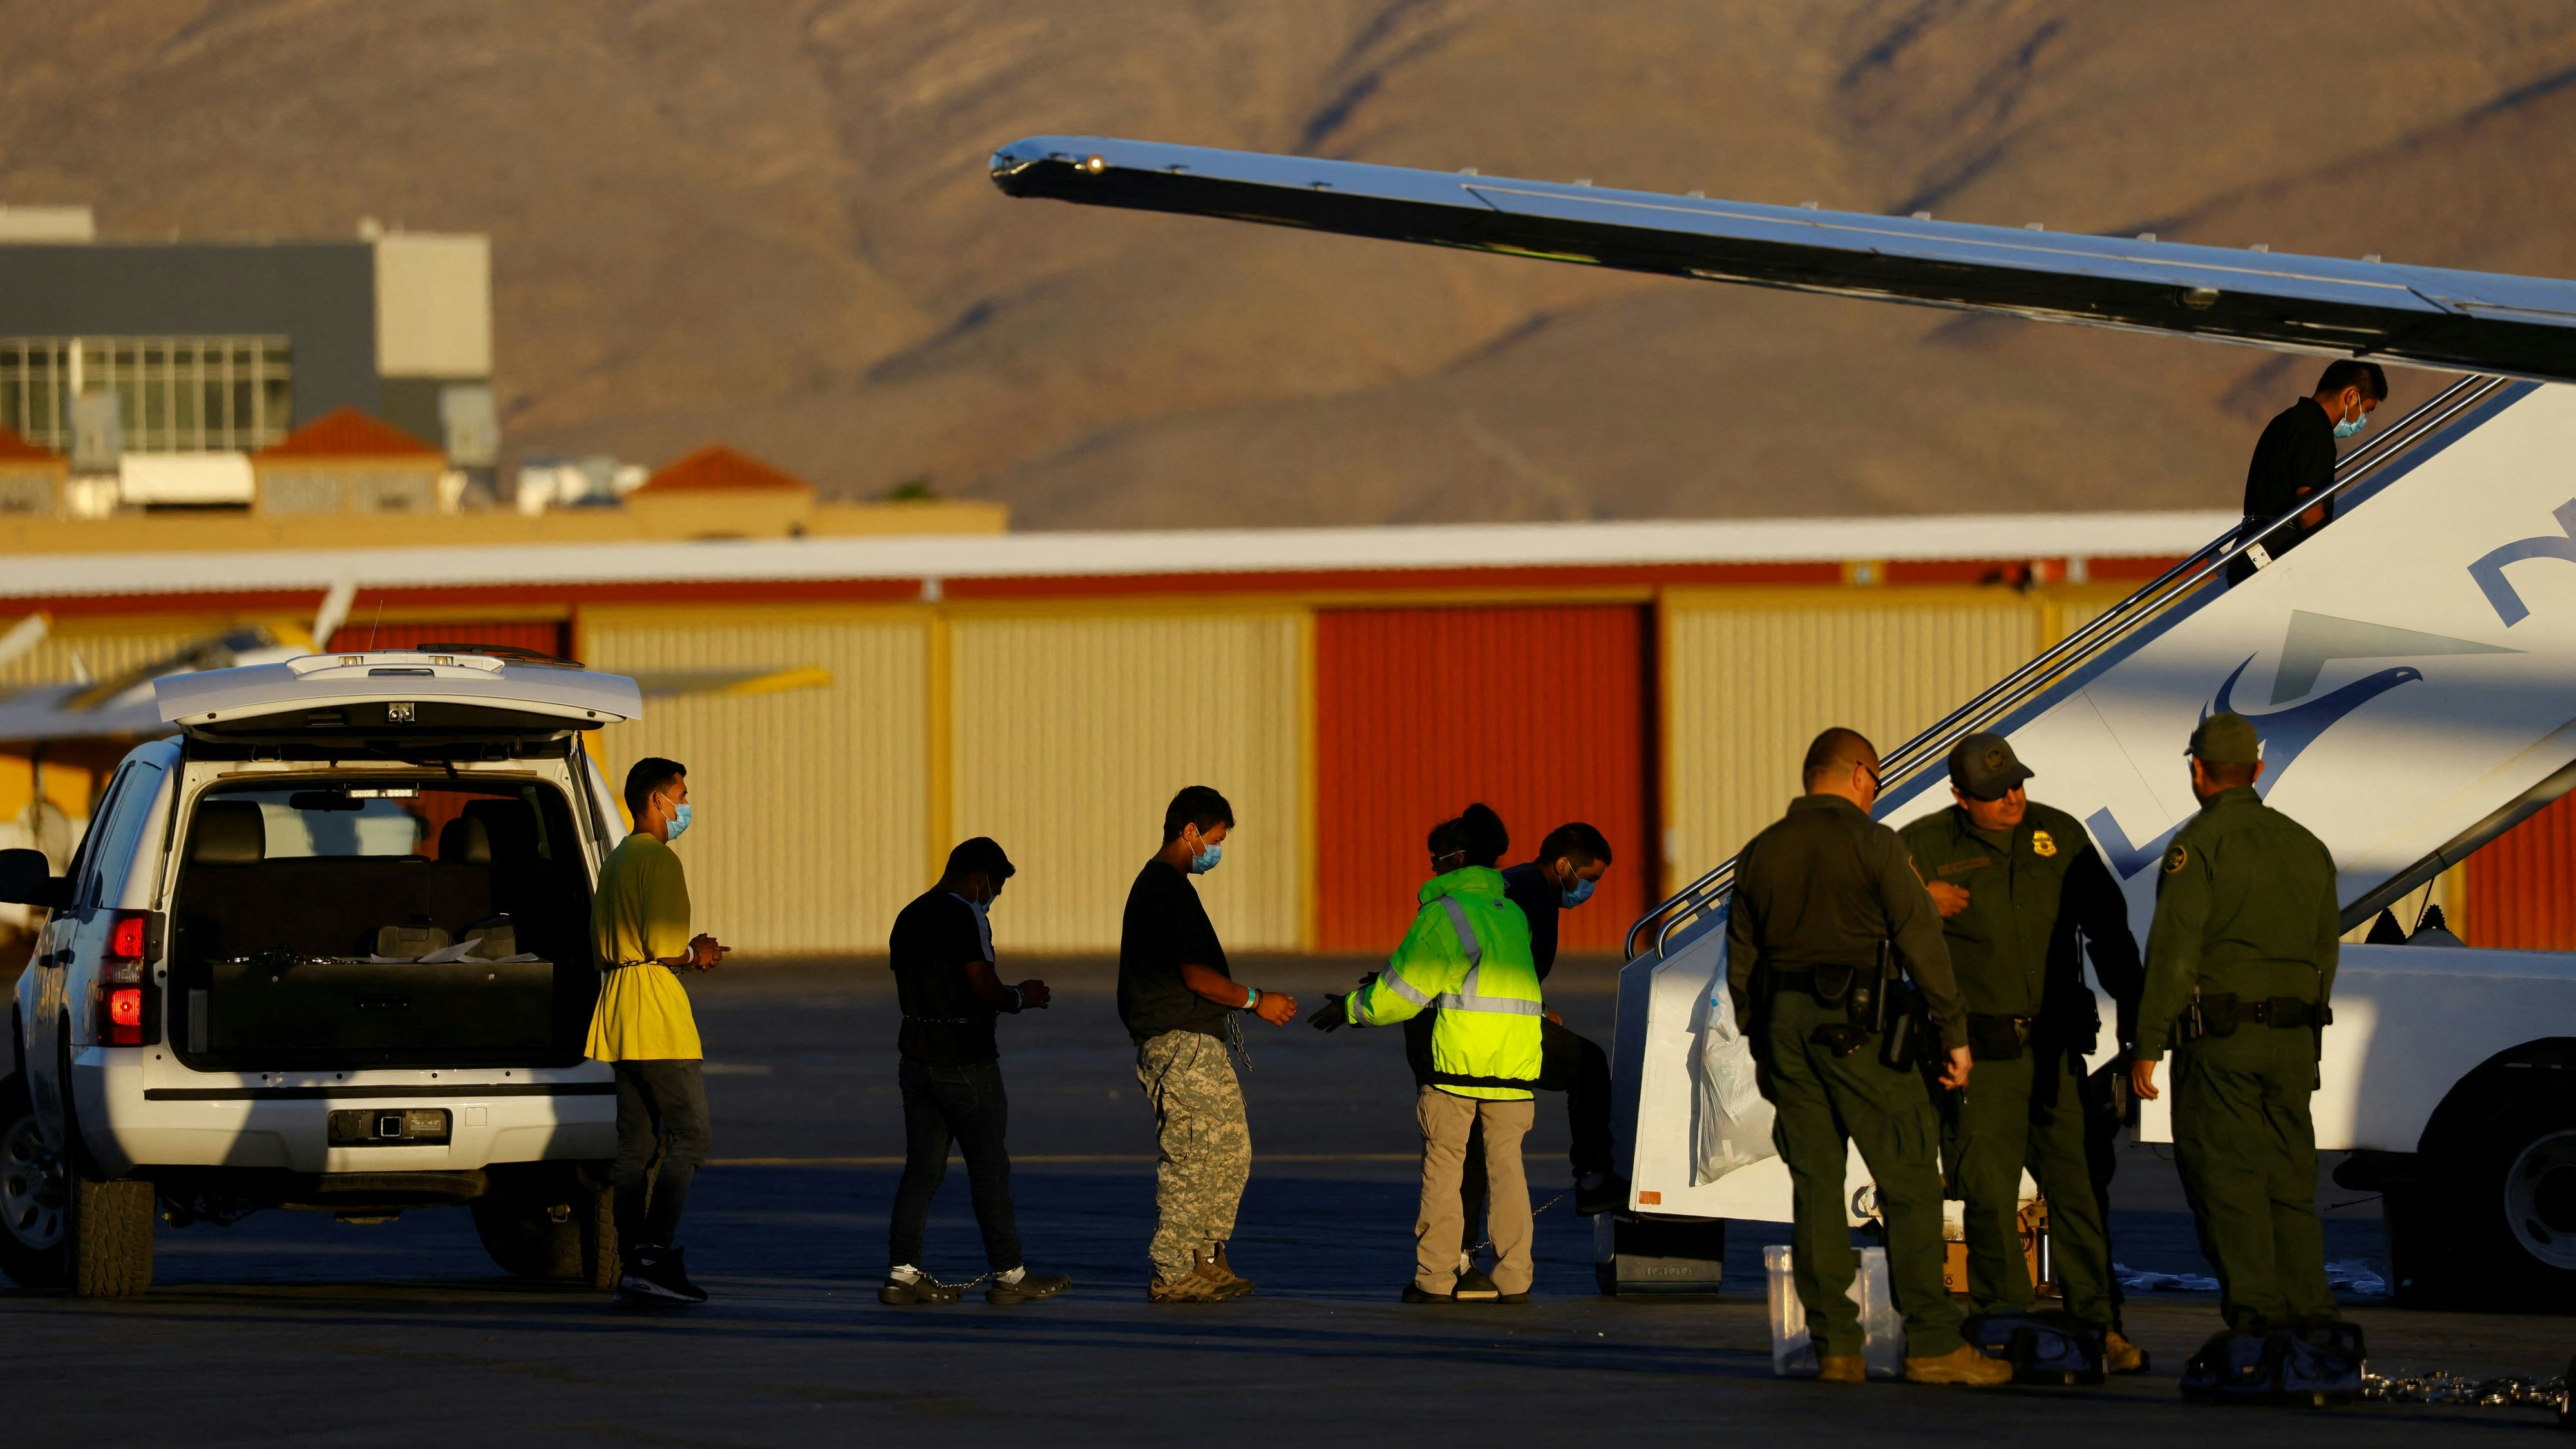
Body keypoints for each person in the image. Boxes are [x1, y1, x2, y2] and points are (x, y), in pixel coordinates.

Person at [1726, 728, 2008, 1386]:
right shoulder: (1874, 843)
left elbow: (1741, 961)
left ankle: (1836, 1348)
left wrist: (1762, 1041)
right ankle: (1932, 1342)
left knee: (1815, 1187)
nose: (1875, 796)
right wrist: (1954, 1033)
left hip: (1784, 1029)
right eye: (1876, 784)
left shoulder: (1761, 851)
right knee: (1909, 1179)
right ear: (1859, 775)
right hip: (1858, 1027)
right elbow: (1921, 941)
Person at [1900, 732, 2146, 1373]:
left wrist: (2141, 1021)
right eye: (1994, 792)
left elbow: (2108, 931)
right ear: (1960, 796)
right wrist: (1919, 902)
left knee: (2078, 1189)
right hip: (1979, 1057)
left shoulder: (2058, 835)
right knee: (1988, 1193)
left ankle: (2098, 1325)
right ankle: (2003, 1321)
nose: (2012, 797)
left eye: (2017, 783)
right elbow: (1870, 918)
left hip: (2055, 1052)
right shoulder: (1924, 846)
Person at [2129, 712, 2343, 1338]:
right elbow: (2324, 954)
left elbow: (2175, 953)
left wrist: (2148, 1044)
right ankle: (2313, 1319)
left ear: (2197, 770)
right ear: (2258, 769)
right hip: (2293, 1041)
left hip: (2223, 1042)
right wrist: (2308, 1042)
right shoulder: (2306, 845)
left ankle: (2257, 1321)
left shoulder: (2199, 845)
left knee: (2227, 1181)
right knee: (2289, 1182)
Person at [1314, 804, 1547, 1304]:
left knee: (1444, 1169)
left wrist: (1351, 1008)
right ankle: (1515, 1279)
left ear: (1456, 858)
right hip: (1516, 1065)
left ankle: (1436, 1279)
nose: (1432, 868)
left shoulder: (1445, 913)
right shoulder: (1513, 915)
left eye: (1435, 859)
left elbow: (1403, 993)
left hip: (1456, 1065)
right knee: (1508, 1171)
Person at [1398, 821, 1621, 1298]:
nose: (1589, 890)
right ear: (1564, 865)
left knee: (1477, 1150)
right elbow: (1487, 963)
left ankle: (1460, 1262)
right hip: (1469, 1035)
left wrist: (1537, 1004)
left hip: (1479, 1029)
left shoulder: (1525, 889)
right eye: (1589, 878)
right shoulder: (1523, 895)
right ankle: (1590, 1176)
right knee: (1579, 1069)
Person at [1119, 785, 1297, 1302]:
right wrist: (1255, 1000)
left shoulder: (1174, 888)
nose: (1217, 851)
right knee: (1193, 1155)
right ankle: (1173, 1269)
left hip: (1201, 1039)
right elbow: (1194, 974)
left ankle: (1208, 1255)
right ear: (1190, 831)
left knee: (1229, 1151)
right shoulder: (1163, 888)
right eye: (1215, 840)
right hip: (1177, 1040)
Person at [880, 837, 1072, 1308]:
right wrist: (1022, 997)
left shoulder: (908, 915)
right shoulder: (966, 915)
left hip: (917, 1059)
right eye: (996, 885)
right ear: (978, 878)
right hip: (965, 1061)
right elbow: (982, 986)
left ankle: (902, 1274)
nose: (996, 895)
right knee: (988, 1170)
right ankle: (1010, 1275)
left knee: (921, 1171)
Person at [589, 757, 728, 1306]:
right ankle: (653, 1254)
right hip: (654, 1013)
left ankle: (632, 1263)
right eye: (682, 795)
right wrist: (699, 952)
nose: (686, 806)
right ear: (657, 800)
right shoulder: (659, 861)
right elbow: (666, 945)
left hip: (619, 1007)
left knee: (636, 1145)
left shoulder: (616, 859)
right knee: (691, 1136)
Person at [2228, 359, 2387, 585]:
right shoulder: (2316, 431)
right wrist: (2323, 561)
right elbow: (2309, 509)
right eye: (2366, 411)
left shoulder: (2286, 420)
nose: (2362, 420)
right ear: (2352, 396)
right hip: (2276, 557)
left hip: (2250, 549)